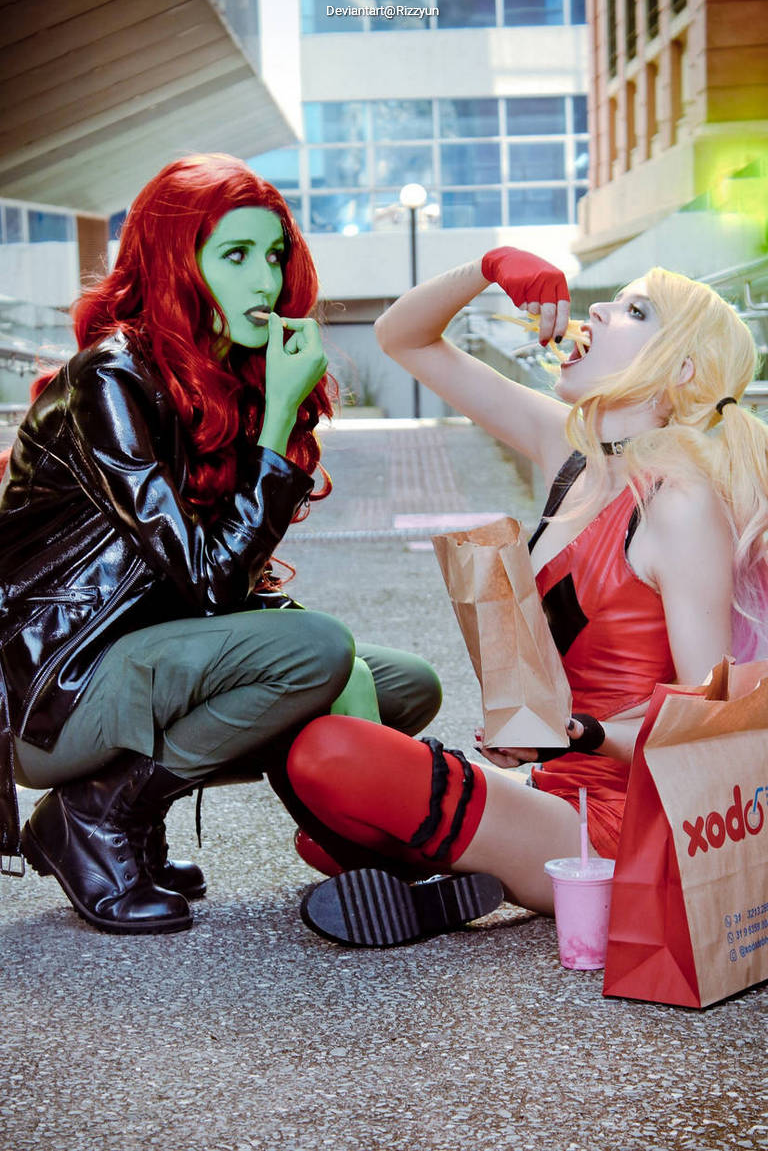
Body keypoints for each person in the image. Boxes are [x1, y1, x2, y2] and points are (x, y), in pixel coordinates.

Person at [0, 153, 440, 934]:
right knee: (317, 651)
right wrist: (275, 430)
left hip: (135, 663)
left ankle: (124, 816)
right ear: (177, 265)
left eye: (273, 255)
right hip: (54, 690)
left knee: (400, 685)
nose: (264, 282)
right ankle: (96, 815)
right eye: (233, 257)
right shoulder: (111, 378)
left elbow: (219, 594)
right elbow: (206, 585)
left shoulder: (214, 376)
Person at [282, 246, 768, 948]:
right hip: (552, 791)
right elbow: (403, 338)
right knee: (320, 830)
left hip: (622, 820)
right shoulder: (567, 452)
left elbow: (712, 723)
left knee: (332, 754)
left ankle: (502, 879)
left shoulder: (680, 502)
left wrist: (584, 733)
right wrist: (487, 266)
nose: (597, 309)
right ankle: (487, 882)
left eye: (634, 311)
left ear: (681, 368)